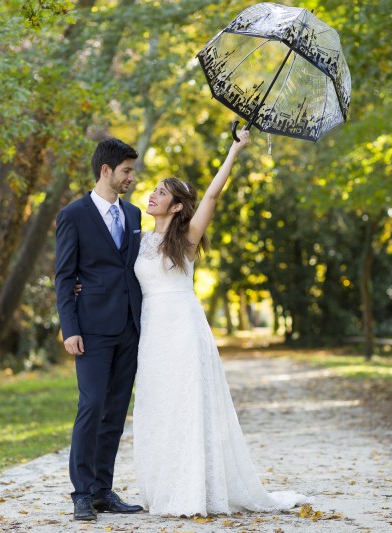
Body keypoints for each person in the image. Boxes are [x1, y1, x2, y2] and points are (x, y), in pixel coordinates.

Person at [131, 129, 306, 515]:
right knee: (159, 407)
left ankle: (194, 491)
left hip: (184, 330)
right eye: (154, 190)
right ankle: (164, 487)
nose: (153, 195)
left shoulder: (187, 240)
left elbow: (211, 195)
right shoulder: (139, 240)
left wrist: (235, 148)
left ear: (176, 207)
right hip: (153, 334)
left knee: (188, 406)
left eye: (162, 193)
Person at [54, 137, 146, 521]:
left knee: (115, 411)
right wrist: (68, 327)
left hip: (130, 326)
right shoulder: (73, 215)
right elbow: (63, 276)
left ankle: (103, 491)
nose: (132, 178)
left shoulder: (136, 214)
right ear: (106, 170)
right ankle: (81, 492)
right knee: (91, 406)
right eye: (127, 171)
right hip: (90, 328)